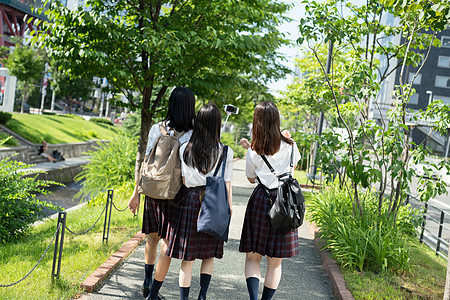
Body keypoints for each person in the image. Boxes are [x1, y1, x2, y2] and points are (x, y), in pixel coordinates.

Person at [127, 87, 196, 299]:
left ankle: (148, 280)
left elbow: (146, 160)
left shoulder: (158, 128)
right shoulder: (193, 133)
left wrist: (136, 192)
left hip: (153, 189)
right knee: (168, 242)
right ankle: (155, 288)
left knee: (153, 237)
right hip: (178, 193)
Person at [165, 103, 233, 300]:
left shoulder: (185, 148)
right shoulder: (224, 151)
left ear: (199, 122)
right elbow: (226, 183)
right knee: (208, 254)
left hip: (190, 200)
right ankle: (202, 296)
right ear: (218, 124)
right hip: (213, 203)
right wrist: (228, 209)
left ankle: (183, 298)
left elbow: (185, 180)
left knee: (187, 258)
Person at [239, 101, 301, 300]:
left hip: (261, 201)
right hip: (285, 203)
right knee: (275, 262)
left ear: (257, 122)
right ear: (277, 120)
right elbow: (293, 168)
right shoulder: (291, 145)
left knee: (253, 257)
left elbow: (250, 178)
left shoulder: (254, 150)